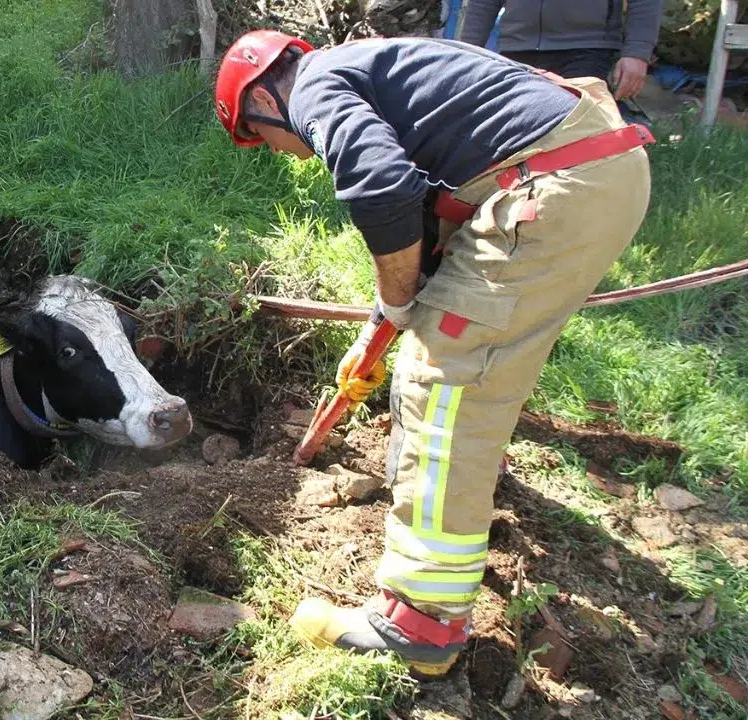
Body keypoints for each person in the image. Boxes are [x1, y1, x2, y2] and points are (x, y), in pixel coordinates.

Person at [214, 31, 653, 676]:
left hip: (556, 183)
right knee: (472, 359)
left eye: (263, 139)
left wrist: (398, 312)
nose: (290, 153)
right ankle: (460, 483)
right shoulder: (378, 69)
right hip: (594, 169)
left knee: (443, 376)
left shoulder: (309, 87)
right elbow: (425, 225)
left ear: (260, 101)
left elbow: (380, 188)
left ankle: (420, 619)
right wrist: (377, 327)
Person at [456, 0, 662, 103]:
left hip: (588, 47)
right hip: (517, 48)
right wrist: (466, 50)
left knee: (577, 135)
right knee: (520, 137)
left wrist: (637, 52)